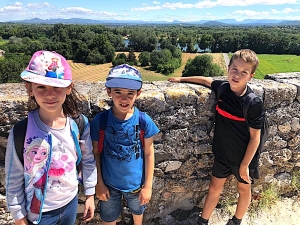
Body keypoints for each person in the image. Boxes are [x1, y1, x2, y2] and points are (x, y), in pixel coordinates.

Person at [168, 49, 265, 225]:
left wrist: (244, 166)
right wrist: (181, 79)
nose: (237, 75)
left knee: (243, 189)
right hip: (223, 153)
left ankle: (236, 221)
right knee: (214, 188)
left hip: (243, 156)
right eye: (234, 69)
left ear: (251, 76)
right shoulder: (222, 88)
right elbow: (206, 80)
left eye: (244, 72)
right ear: (228, 68)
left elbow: (255, 138)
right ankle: (203, 221)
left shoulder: (253, 103)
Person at [5, 50, 97, 225]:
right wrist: (19, 217)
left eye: (57, 87)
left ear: (69, 88)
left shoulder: (79, 124)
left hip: (70, 203)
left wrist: (90, 195)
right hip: (39, 214)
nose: (50, 94)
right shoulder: (21, 132)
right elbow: (14, 179)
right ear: (29, 88)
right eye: (41, 87)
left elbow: (87, 160)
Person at [90, 64, 160, 225]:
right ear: (109, 92)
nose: (124, 98)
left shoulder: (143, 121)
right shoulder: (100, 121)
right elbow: (96, 153)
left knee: (138, 214)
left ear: (138, 94)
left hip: (136, 184)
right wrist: (99, 183)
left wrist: (148, 186)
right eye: (118, 92)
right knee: (109, 218)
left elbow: (149, 153)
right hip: (108, 183)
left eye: (130, 93)